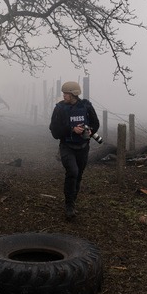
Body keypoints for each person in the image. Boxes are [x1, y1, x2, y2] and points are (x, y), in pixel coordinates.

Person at [49, 81, 100, 220]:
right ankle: (69, 206)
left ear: (73, 94)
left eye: (66, 93)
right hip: (67, 146)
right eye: (63, 93)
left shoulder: (86, 106)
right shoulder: (59, 108)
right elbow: (54, 131)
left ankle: (72, 201)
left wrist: (89, 130)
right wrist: (71, 129)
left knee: (78, 175)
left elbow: (95, 124)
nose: (63, 95)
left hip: (83, 147)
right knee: (73, 172)